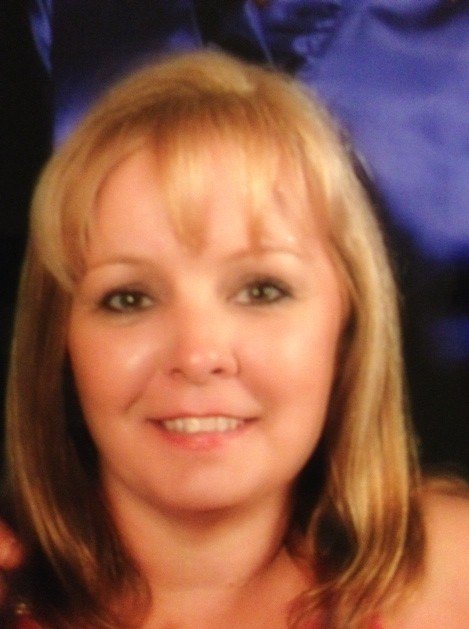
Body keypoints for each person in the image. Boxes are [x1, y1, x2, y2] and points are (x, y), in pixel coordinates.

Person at [1, 50, 468, 628]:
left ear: (347, 328)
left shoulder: (454, 576)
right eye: (129, 299)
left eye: (261, 290)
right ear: (59, 347)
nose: (198, 355)